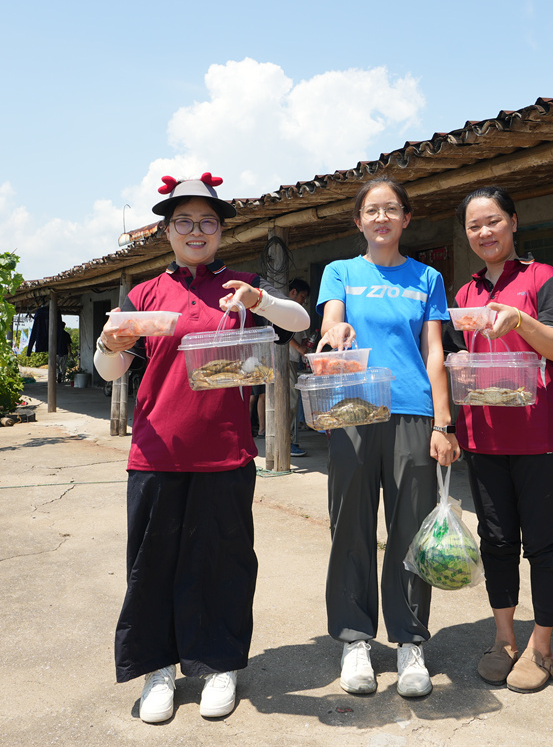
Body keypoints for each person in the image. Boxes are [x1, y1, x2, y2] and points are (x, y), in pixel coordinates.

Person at [94, 173, 310, 723]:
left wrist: (261, 299)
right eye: (184, 222)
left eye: (207, 222)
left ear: (220, 231)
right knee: (152, 565)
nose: (196, 231)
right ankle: (158, 668)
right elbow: (111, 369)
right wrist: (107, 342)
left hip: (226, 451)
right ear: (167, 230)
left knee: (223, 561)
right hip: (156, 450)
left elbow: (298, 324)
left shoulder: (241, 285)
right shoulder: (144, 293)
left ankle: (220, 664)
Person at [317, 177, 457, 698]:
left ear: (405, 219)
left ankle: (409, 641)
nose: (381, 219)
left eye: (391, 210)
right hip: (354, 408)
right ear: (359, 221)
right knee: (350, 526)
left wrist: (443, 422)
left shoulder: (427, 277)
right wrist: (336, 334)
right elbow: (333, 323)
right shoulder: (341, 272)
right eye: (371, 211)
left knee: (411, 533)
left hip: (414, 412)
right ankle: (355, 641)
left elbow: (435, 352)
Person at [446, 186, 553, 693]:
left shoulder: (546, 281)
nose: (485, 232)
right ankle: (504, 638)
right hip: (485, 438)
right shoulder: (465, 295)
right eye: (475, 226)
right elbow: (459, 361)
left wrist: (521, 319)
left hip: (542, 438)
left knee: (543, 545)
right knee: (497, 541)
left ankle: (541, 646)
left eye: (493, 221)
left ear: (514, 222)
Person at [286, 278, 317, 457]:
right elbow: (281, 333)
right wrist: (300, 348)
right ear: (293, 292)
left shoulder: (298, 311)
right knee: (289, 402)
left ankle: (289, 440)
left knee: (292, 402)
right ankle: (287, 443)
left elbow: (302, 336)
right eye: (302, 296)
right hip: (285, 361)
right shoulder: (285, 308)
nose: (303, 301)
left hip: (294, 360)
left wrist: (307, 343)